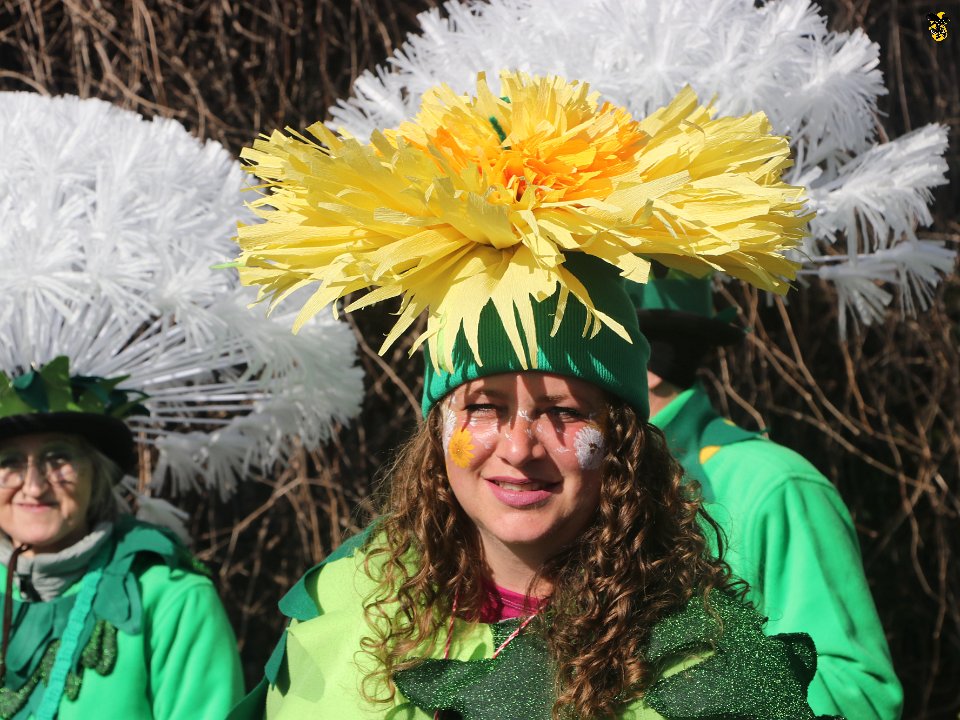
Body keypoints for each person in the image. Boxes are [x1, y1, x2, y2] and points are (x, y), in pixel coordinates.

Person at [228, 72, 839, 719]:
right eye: (483, 407)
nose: (518, 448)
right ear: (437, 429)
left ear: (621, 439)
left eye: (563, 412)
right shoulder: (345, 607)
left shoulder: (701, 662)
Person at [629, 271, 903, 719]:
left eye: (589, 349)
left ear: (652, 363)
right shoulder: (574, 489)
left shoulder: (776, 485)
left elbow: (858, 692)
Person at [0, 357, 244, 719]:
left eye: (58, 458)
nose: (34, 487)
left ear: (96, 473)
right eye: (9, 462)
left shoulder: (171, 598)